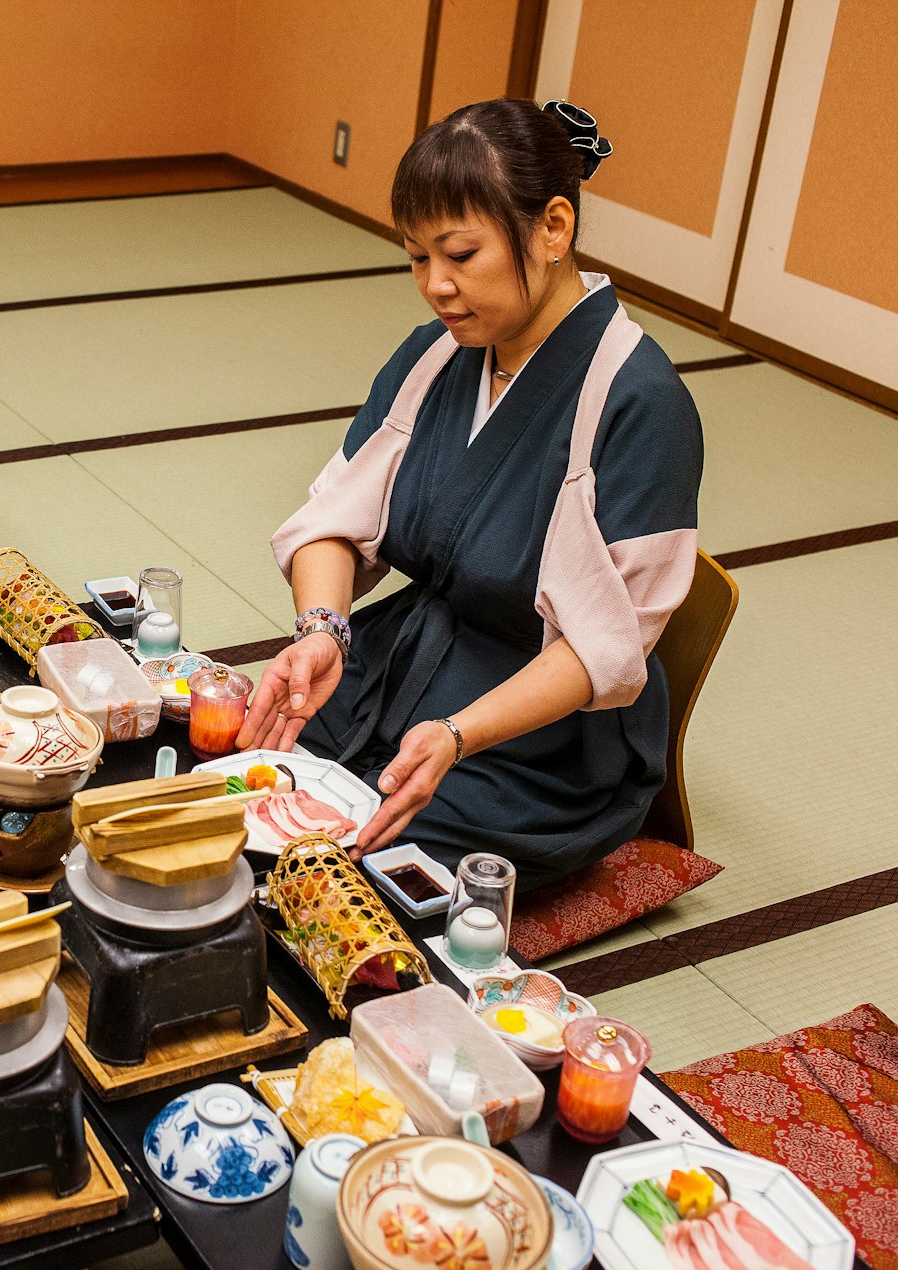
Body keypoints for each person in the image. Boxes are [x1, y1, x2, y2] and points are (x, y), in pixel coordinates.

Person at [237, 98, 702, 890]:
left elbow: (601, 652)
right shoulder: (437, 357)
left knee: (348, 864)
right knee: (255, 782)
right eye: (417, 259)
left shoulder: (638, 401)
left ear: (553, 229)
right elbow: (335, 520)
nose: (437, 288)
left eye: (459, 254)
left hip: (540, 737)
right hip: (404, 661)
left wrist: (457, 734)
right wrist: (324, 632)